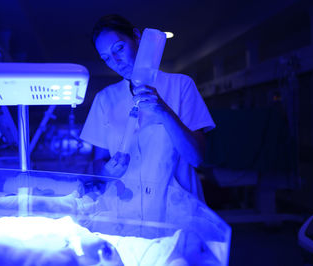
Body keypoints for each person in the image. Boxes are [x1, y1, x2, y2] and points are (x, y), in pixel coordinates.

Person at [80, 14, 215, 225]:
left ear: (137, 37)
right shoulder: (105, 99)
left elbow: (196, 158)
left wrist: (163, 111)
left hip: (175, 213)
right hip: (124, 212)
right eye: (106, 58)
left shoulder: (181, 86)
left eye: (119, 48)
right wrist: (107, 171)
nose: (115, 62)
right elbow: (98, 162)